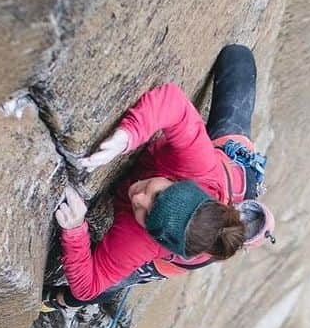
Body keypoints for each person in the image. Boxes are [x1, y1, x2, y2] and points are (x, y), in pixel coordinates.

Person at [49, 44, 274, 307]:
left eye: (147, 216)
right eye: (157, 195)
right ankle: (252, 220)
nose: (139, 198)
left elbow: (89, 286)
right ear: (179, 181)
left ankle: (54, 301)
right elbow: (174, 104)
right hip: (230, 176)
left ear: (155, 236)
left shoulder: (142, 241)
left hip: (181, 246)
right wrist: (128, 135)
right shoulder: (199, 167)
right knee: (238, 57)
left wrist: (75, 230)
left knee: (98, 292)